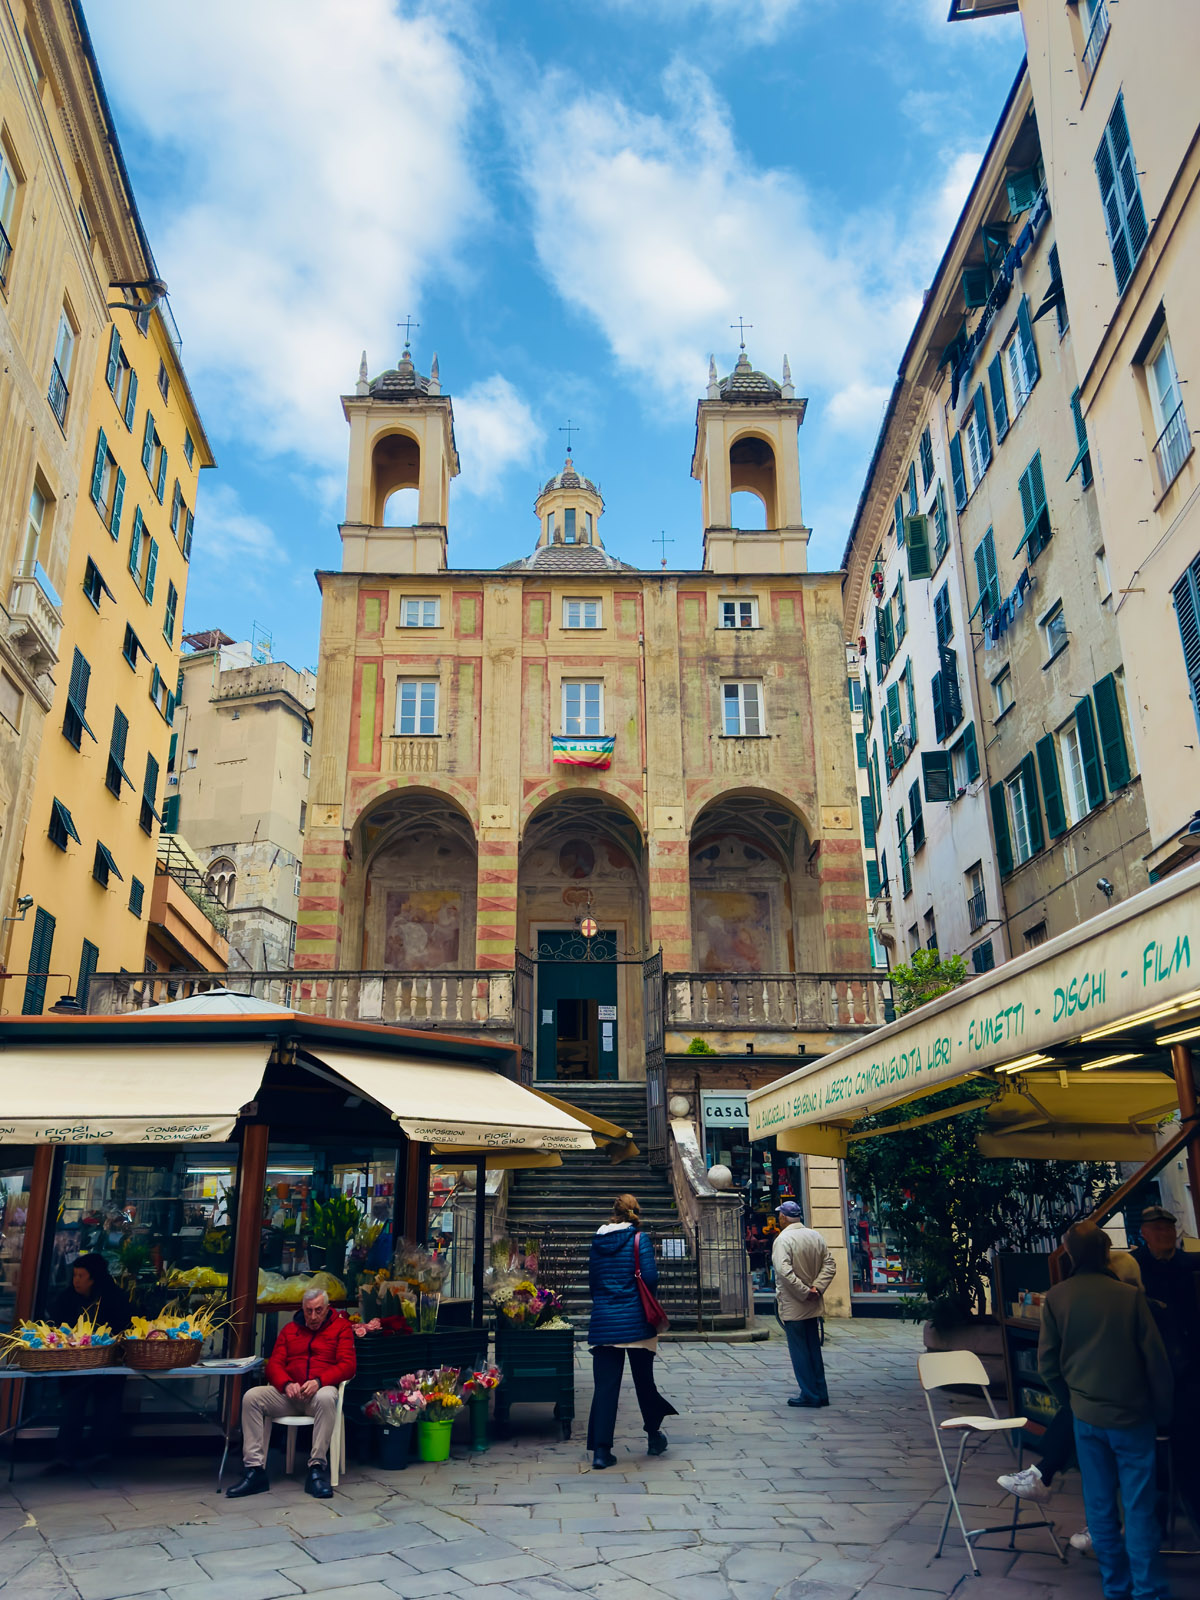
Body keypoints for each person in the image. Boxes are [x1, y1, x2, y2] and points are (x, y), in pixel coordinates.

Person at [1039, 1223, 1173, 1600]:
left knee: (1099, 1507)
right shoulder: (1128, 1297)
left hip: (1086, 1416)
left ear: (1070, 1254)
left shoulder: (1057, 1297)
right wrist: (1163, 1414)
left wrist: (1073, 1402)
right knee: (1140, 1508)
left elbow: (1047, 1365)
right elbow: (1156, 1363)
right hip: (1133, 1417)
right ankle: (1148, 1591)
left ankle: (1115, 1588)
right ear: (1106, 1254)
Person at [998, 1249, 1144, 1513]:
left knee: (1085, 1414)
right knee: (1084, 1412)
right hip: (1119, 1402)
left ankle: (1049, 1478)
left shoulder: (1134, 1307)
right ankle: (1102, 1519)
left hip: (1134, 1406)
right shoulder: (1125, 1307)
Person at [226, 1287, 356, 1500]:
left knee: (326, 1396)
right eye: (308, 1311)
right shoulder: (290, 1330)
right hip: (289, 1395)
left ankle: (316, 1469)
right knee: (252, 1397)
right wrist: (285, 1384)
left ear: (327, 1309)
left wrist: (319, 1381)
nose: (313, 1317)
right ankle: (255, 1470)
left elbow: (348, 1365)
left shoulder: (341, 1328)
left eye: (318, 1310)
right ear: (302, 1310)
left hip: (318, 1394)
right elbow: (274, 1364)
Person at [585, 1193, 677, 1471]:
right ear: (636, 1212)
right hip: (637, 1320)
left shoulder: (597, 1241)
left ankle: (601, 1452)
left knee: (605, 1387)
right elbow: (649, 1278)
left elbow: (593, 1281)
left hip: (604, 1321)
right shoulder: (640, 1239)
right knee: (644, 1383)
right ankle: (653, 1436)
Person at [1134, 1204, 1200, 1523]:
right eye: (1157, 1229)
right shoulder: (1134, 1266)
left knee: (1188, 1439)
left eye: (1168, 1229)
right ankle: (1156, 1508)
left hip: (1190, 1365)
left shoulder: (1191, 1264)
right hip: (1151, 1368)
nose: (1165, 1234)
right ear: (1144, 1234)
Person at [44, 1253, 133, 1471]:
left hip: (108, 1363)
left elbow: (125, 1326)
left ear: (94, 1278)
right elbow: (56, 1325)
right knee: (71, 1408)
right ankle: (64, 1456)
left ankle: (100, 1454)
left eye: (81, 1276)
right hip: (75, 1364)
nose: (76, 1280)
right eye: (74, 1275)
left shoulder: (114, 1298)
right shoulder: (66, 1299)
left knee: (107, 1409)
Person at [772, 1200, 836, 1408]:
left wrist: (803, 1291)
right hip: (813, 1301)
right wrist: (816, 1288)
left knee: (799, 1350)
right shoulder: (815, 1236)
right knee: (813, 1349)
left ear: (783, 1217)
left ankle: (809, 1394)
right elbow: (830, 1265)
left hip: (795, 1303)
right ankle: (820, 1392)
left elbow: (784, 1272)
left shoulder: (783, 1240)